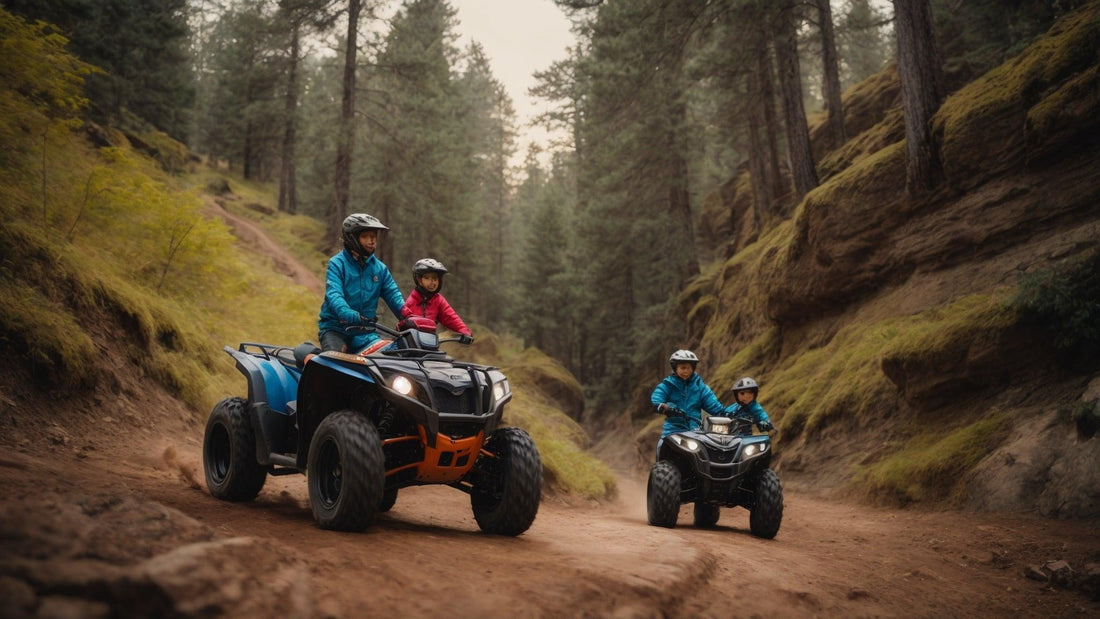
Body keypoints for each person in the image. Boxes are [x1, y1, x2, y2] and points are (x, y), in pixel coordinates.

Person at [318, 213, 405, 353]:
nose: (372, 241)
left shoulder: (380, 269)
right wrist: (348, 314)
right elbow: (334, 294)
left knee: (391, 357)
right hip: (336, 330)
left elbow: (394, 295)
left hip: (365, 333)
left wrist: (410, 316)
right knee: (334, 363)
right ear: (351, 237)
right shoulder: (337, 264)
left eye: (374, 236)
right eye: (366, 236)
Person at [651, 349, 730, 439]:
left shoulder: (700, 387)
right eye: (683, 368)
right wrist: (661, 406)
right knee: (662, 447)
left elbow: (715, 407)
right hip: (672, 431)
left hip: (695, 432)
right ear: (675, 368)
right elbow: (658, 396)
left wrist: (729, 414)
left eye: (689, 368)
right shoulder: (668, 385)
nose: (686, 371)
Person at [400, 258, 473, 344]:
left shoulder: (438, 300)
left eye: (435, 279)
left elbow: (450, 317)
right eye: (427, 278)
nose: (432, 282)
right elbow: (402, 324)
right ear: (419, 280)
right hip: (411, 345)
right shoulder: (411, 301)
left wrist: (465, 332)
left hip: (430, 344)